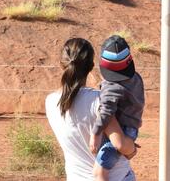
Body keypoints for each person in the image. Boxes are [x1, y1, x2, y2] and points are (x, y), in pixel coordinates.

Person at [45, 37, 137, 180]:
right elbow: (120, 144)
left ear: (61, 63)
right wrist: (132, 148)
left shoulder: (50, 101)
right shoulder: (100, 101)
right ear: (92, 65)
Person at [90, 35, 145, 181]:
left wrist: (96, 133)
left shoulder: (111, 86)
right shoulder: (136, 77)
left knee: (99, 172)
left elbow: (106, 111)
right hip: (132, 129)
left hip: (120, 131)